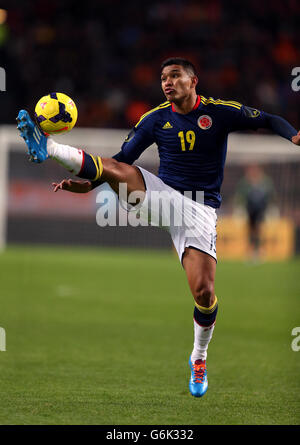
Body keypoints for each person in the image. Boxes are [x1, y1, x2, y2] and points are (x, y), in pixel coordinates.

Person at [17, 57, 300, 398]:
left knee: (204, 294)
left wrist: (294, 135)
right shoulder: (154, 119)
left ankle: (199, 357)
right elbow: (120, 161)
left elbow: (268, 119)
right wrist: (91, 185)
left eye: (175, 76)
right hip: (161, 197)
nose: (167, 82)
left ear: (193, 81)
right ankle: (47, 147)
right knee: (118, 170)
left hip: (200, 211)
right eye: (163, 77)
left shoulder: (220, 112)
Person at [235, 165, 275, 260]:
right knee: (250, 230)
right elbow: (240, 196)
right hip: (249, 210)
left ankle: (260, 250)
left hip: (261, 210)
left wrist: (271, 207)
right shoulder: (245, 183)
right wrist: (239, 207)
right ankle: (251, 250)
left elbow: (271, 195)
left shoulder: (266, 182)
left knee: (259, 229)